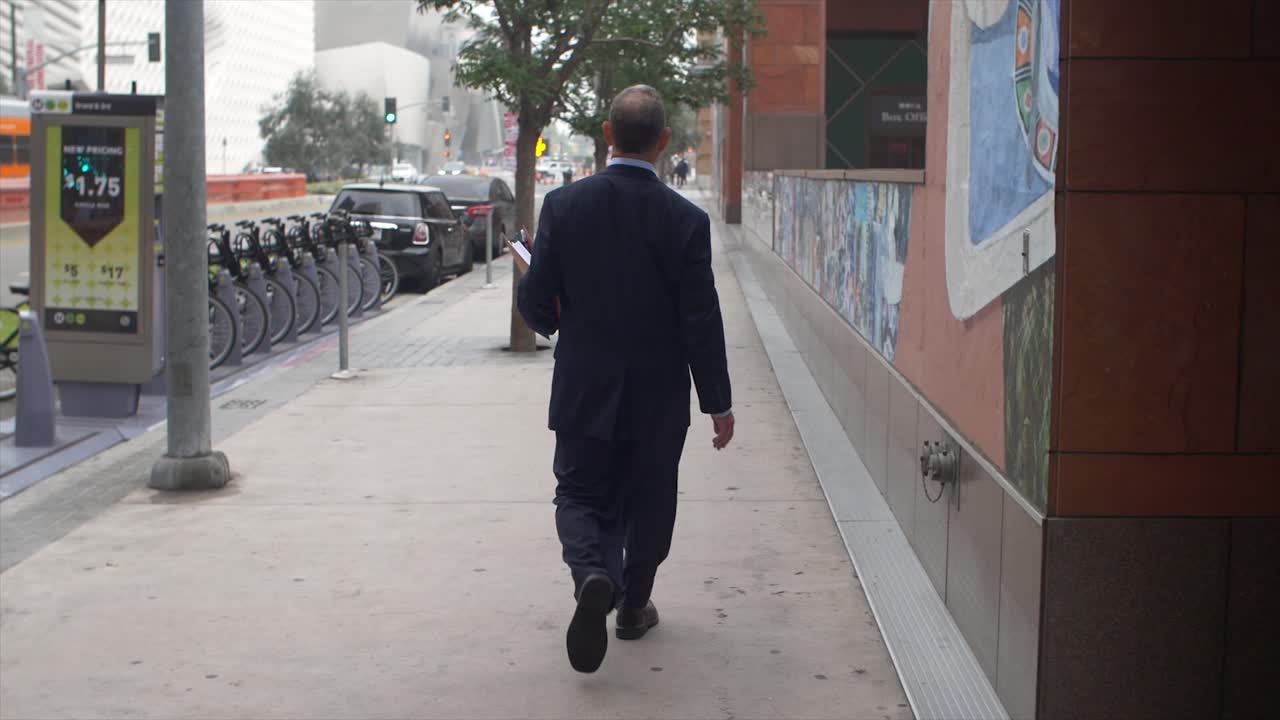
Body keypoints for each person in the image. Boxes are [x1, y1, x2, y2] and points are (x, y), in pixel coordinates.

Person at [516, 85, 734, 674]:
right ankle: (633, 605)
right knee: (651, 500)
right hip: (658, 396)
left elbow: (537, 306)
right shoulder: (687, 221)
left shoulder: (564, 207)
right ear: (663, 141)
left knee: (581, 494)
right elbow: (701, 318)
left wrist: (546, 304)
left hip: (584, 387)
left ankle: (593, 573)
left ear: (608, 135)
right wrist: (718, 402)